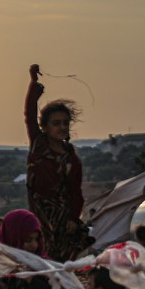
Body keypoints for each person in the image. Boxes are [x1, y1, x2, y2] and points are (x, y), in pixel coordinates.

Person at [25, 64, 88, 262]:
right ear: (45, 127)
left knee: (61, 263)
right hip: (40, 216)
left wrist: (72, 218)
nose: (62, 127)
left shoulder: (72, 160)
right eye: (56, 123)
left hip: (62, 221)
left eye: (65, 123)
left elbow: (75, 192)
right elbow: (29, 116)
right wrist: (33, 84)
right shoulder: (39, 144)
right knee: (41, 259)